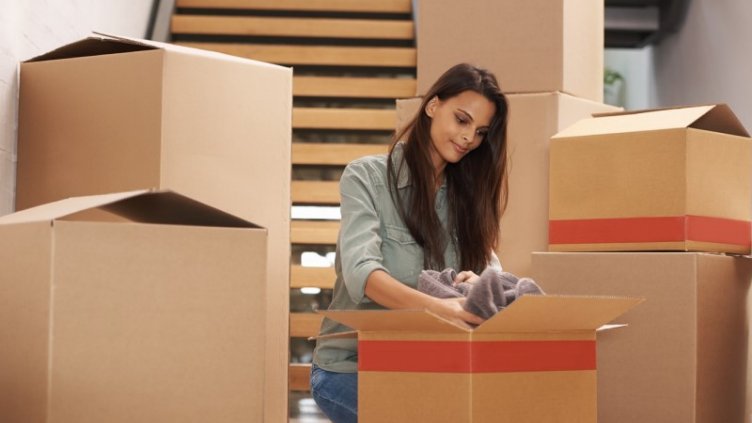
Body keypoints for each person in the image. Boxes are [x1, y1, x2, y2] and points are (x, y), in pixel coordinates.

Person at [310, 63, 510, 423]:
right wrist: (439, 307)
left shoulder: (466, 198)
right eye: (461, 120)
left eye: (480, 132)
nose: (469, 139)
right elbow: (363, 275)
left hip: (434, 365)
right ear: (433, 106)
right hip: (353, 367)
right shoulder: (366, 177)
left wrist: (481, 284)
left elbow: (493, 273)